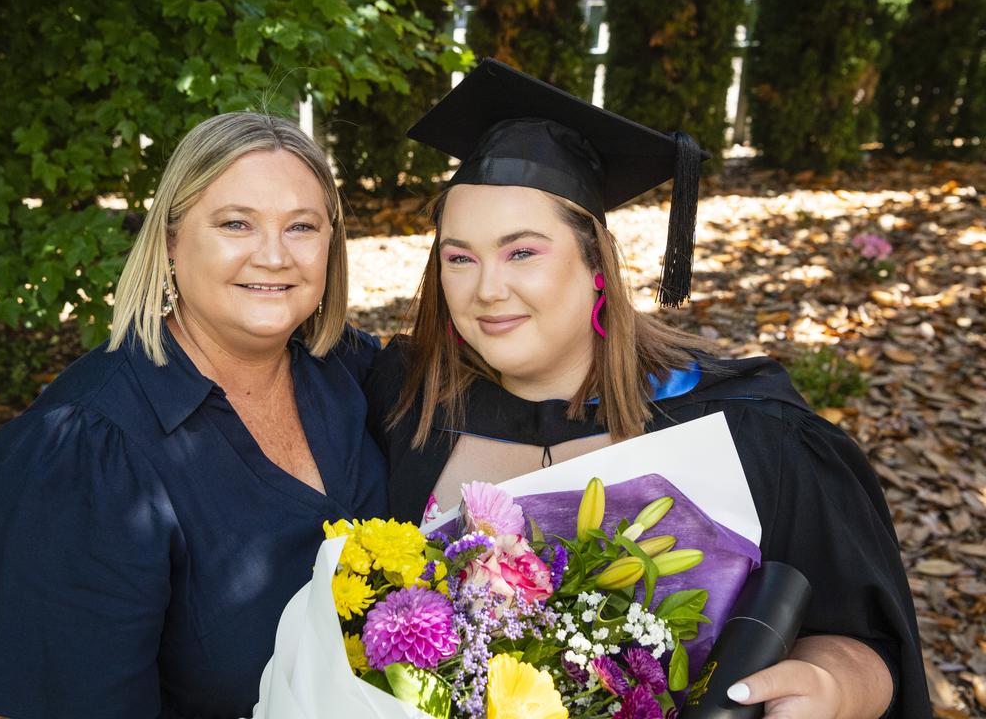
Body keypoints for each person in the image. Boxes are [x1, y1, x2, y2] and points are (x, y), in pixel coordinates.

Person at [363, 60, 930, 718]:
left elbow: (870, 646)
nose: (486, 288)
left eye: (522, 252)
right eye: (459, 257)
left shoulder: (751, 431)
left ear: (597, 263)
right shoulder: (410, 411)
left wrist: (828, 687)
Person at [0, 112, 388, 719]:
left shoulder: (346, 373)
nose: (273, 256)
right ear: (169, 241)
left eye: (302, 226)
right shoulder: (86, 454)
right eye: (236, 224)